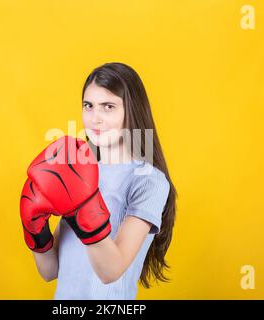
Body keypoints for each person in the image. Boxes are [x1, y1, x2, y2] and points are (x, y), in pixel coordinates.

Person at [20, 62, 178, 299]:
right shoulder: (80, 169)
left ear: (132, 110)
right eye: (89, 106)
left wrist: (81, 207)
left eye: (108, 107)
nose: (95, 118)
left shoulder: (149, 181)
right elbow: (50, 271)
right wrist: (35, 228)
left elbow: (110, 271)